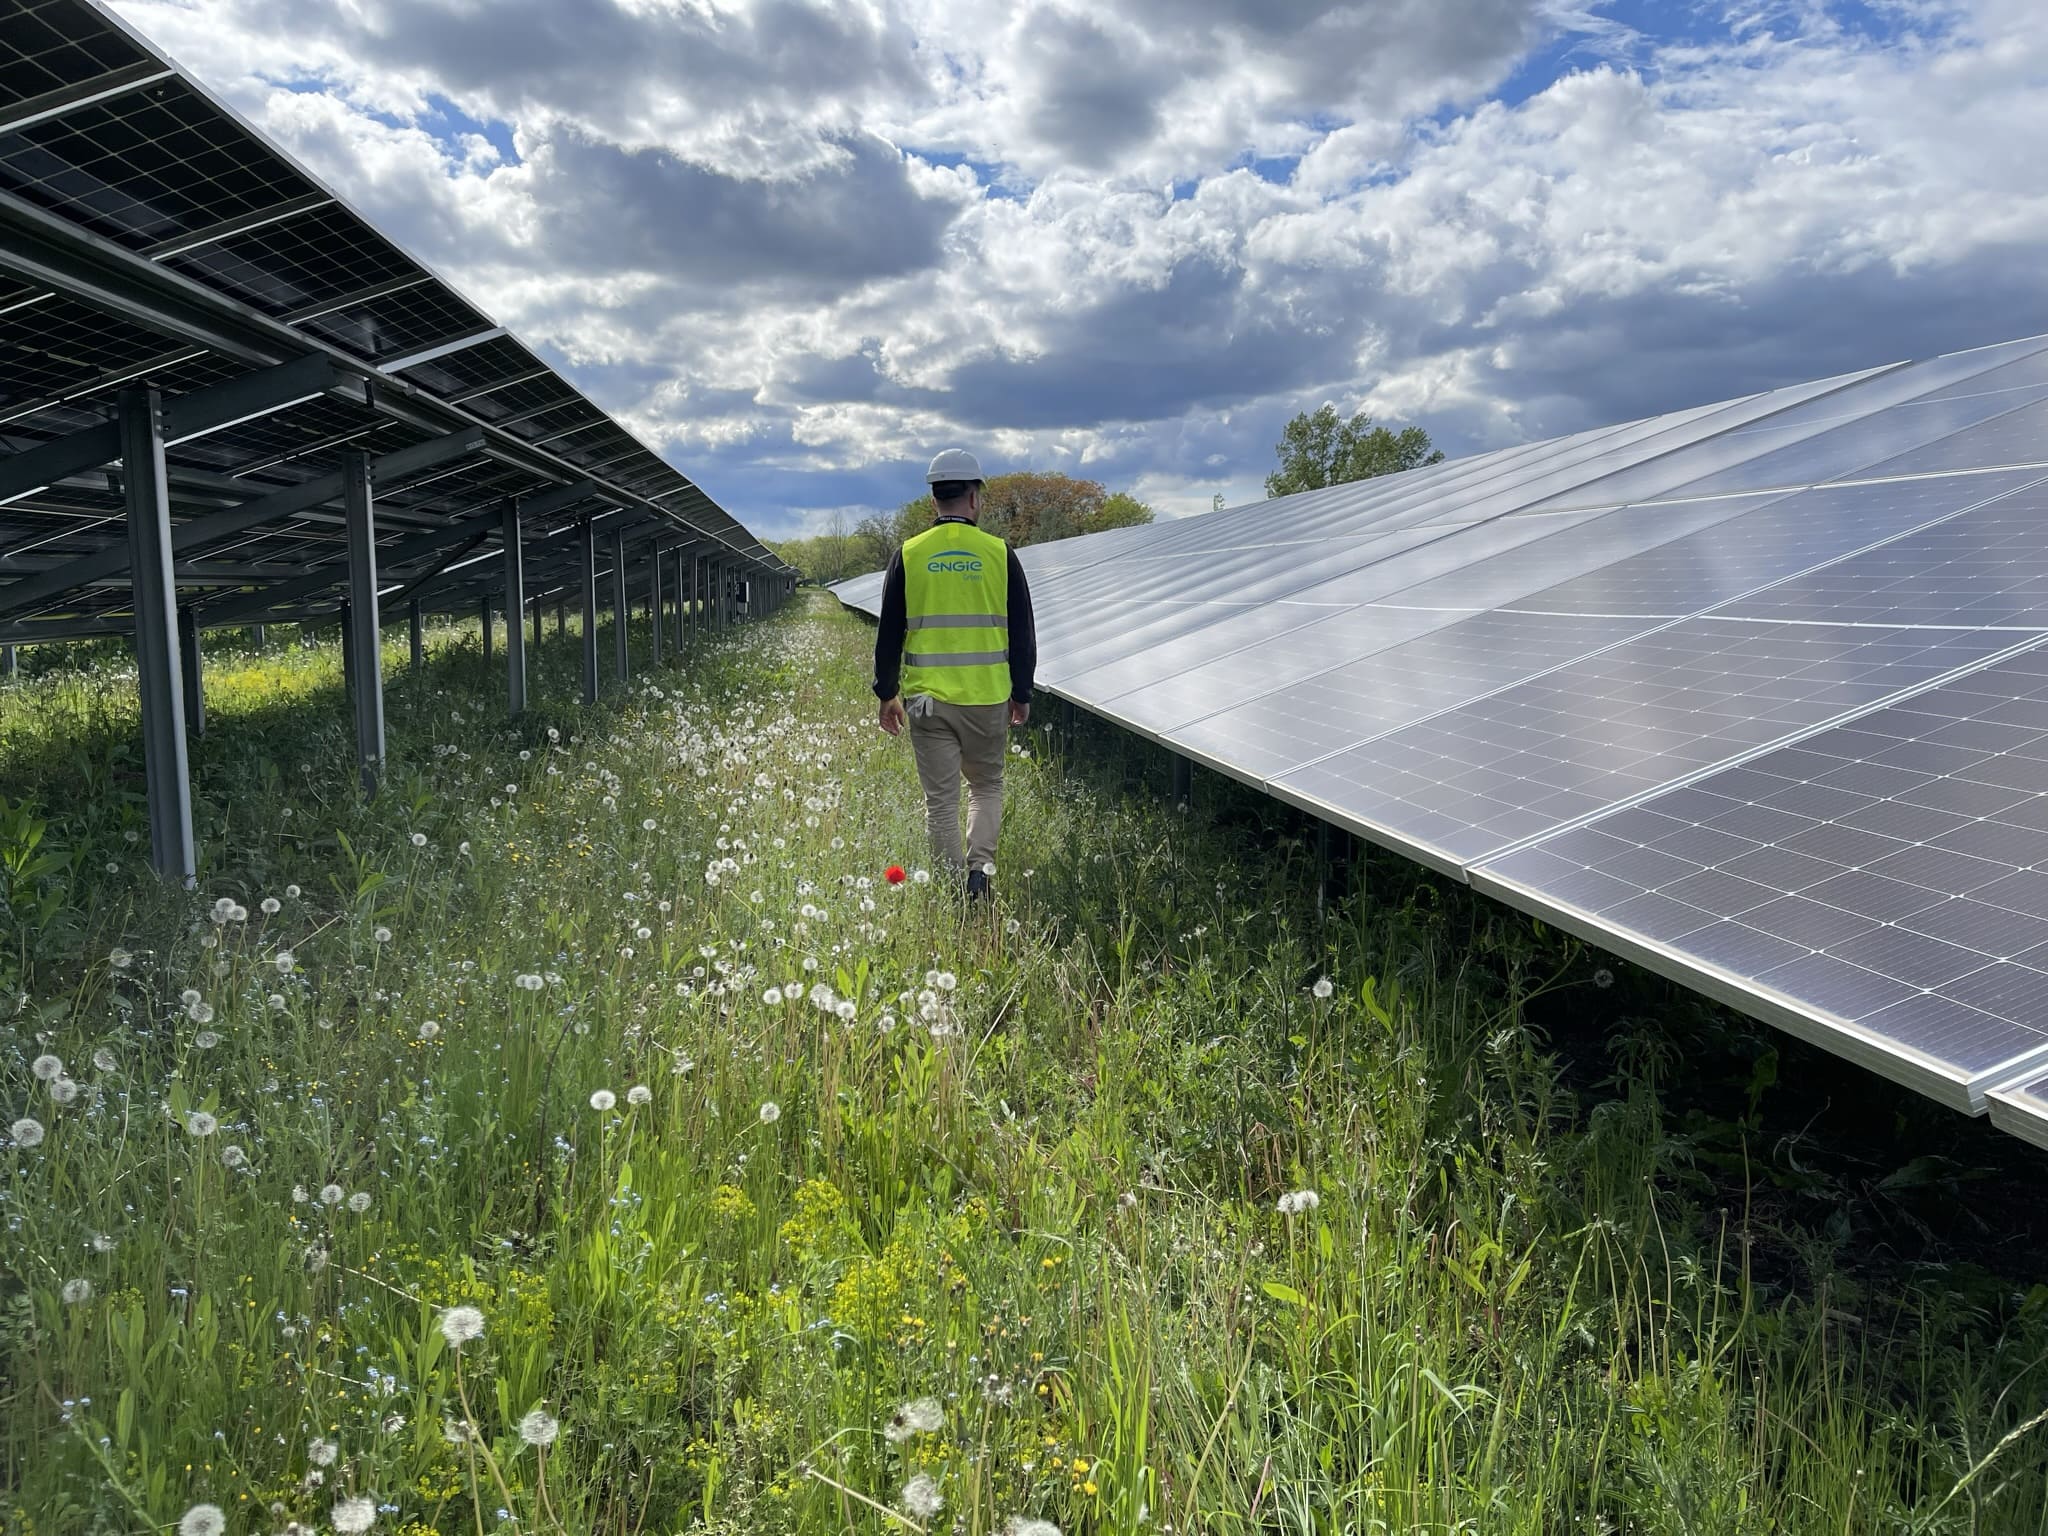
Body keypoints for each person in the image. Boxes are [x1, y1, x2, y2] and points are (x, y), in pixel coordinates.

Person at [872, 448, 1037, 900]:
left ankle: (948, 889)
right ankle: (980, 874)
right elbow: (1023, 632)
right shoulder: (999, 554)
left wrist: (887, 693)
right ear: (974, 498)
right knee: (986, 785)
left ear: (933, 500)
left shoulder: (909, 554)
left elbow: (889, 633)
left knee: (941, 802)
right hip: (987, 699)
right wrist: (1021, 693)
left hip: (928, 703)